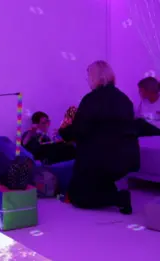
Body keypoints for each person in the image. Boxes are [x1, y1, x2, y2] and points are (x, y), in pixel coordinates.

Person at [59, 60, 139, 214]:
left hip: (98, 159)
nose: (88, 80)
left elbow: (79, 130)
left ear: (96, 77)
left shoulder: (91, 99)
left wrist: (64, 132)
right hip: (124, 158)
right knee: (88, 182)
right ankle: (109, 191)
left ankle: (118, 198)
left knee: (78, 197)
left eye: (89, 76)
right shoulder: (124, 99)